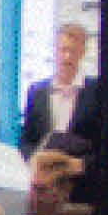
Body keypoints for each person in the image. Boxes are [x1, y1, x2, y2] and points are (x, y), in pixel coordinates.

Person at [22, 22, 101, 159]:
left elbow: (100, 142)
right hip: (43, 174)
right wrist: (34, 161)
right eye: (63, 50)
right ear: (55, 51)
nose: (67, 57)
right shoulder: (37, 92)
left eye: (73, 51)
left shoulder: (96, 91)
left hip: (80, 175)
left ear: (83, 52)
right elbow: (27, 140)